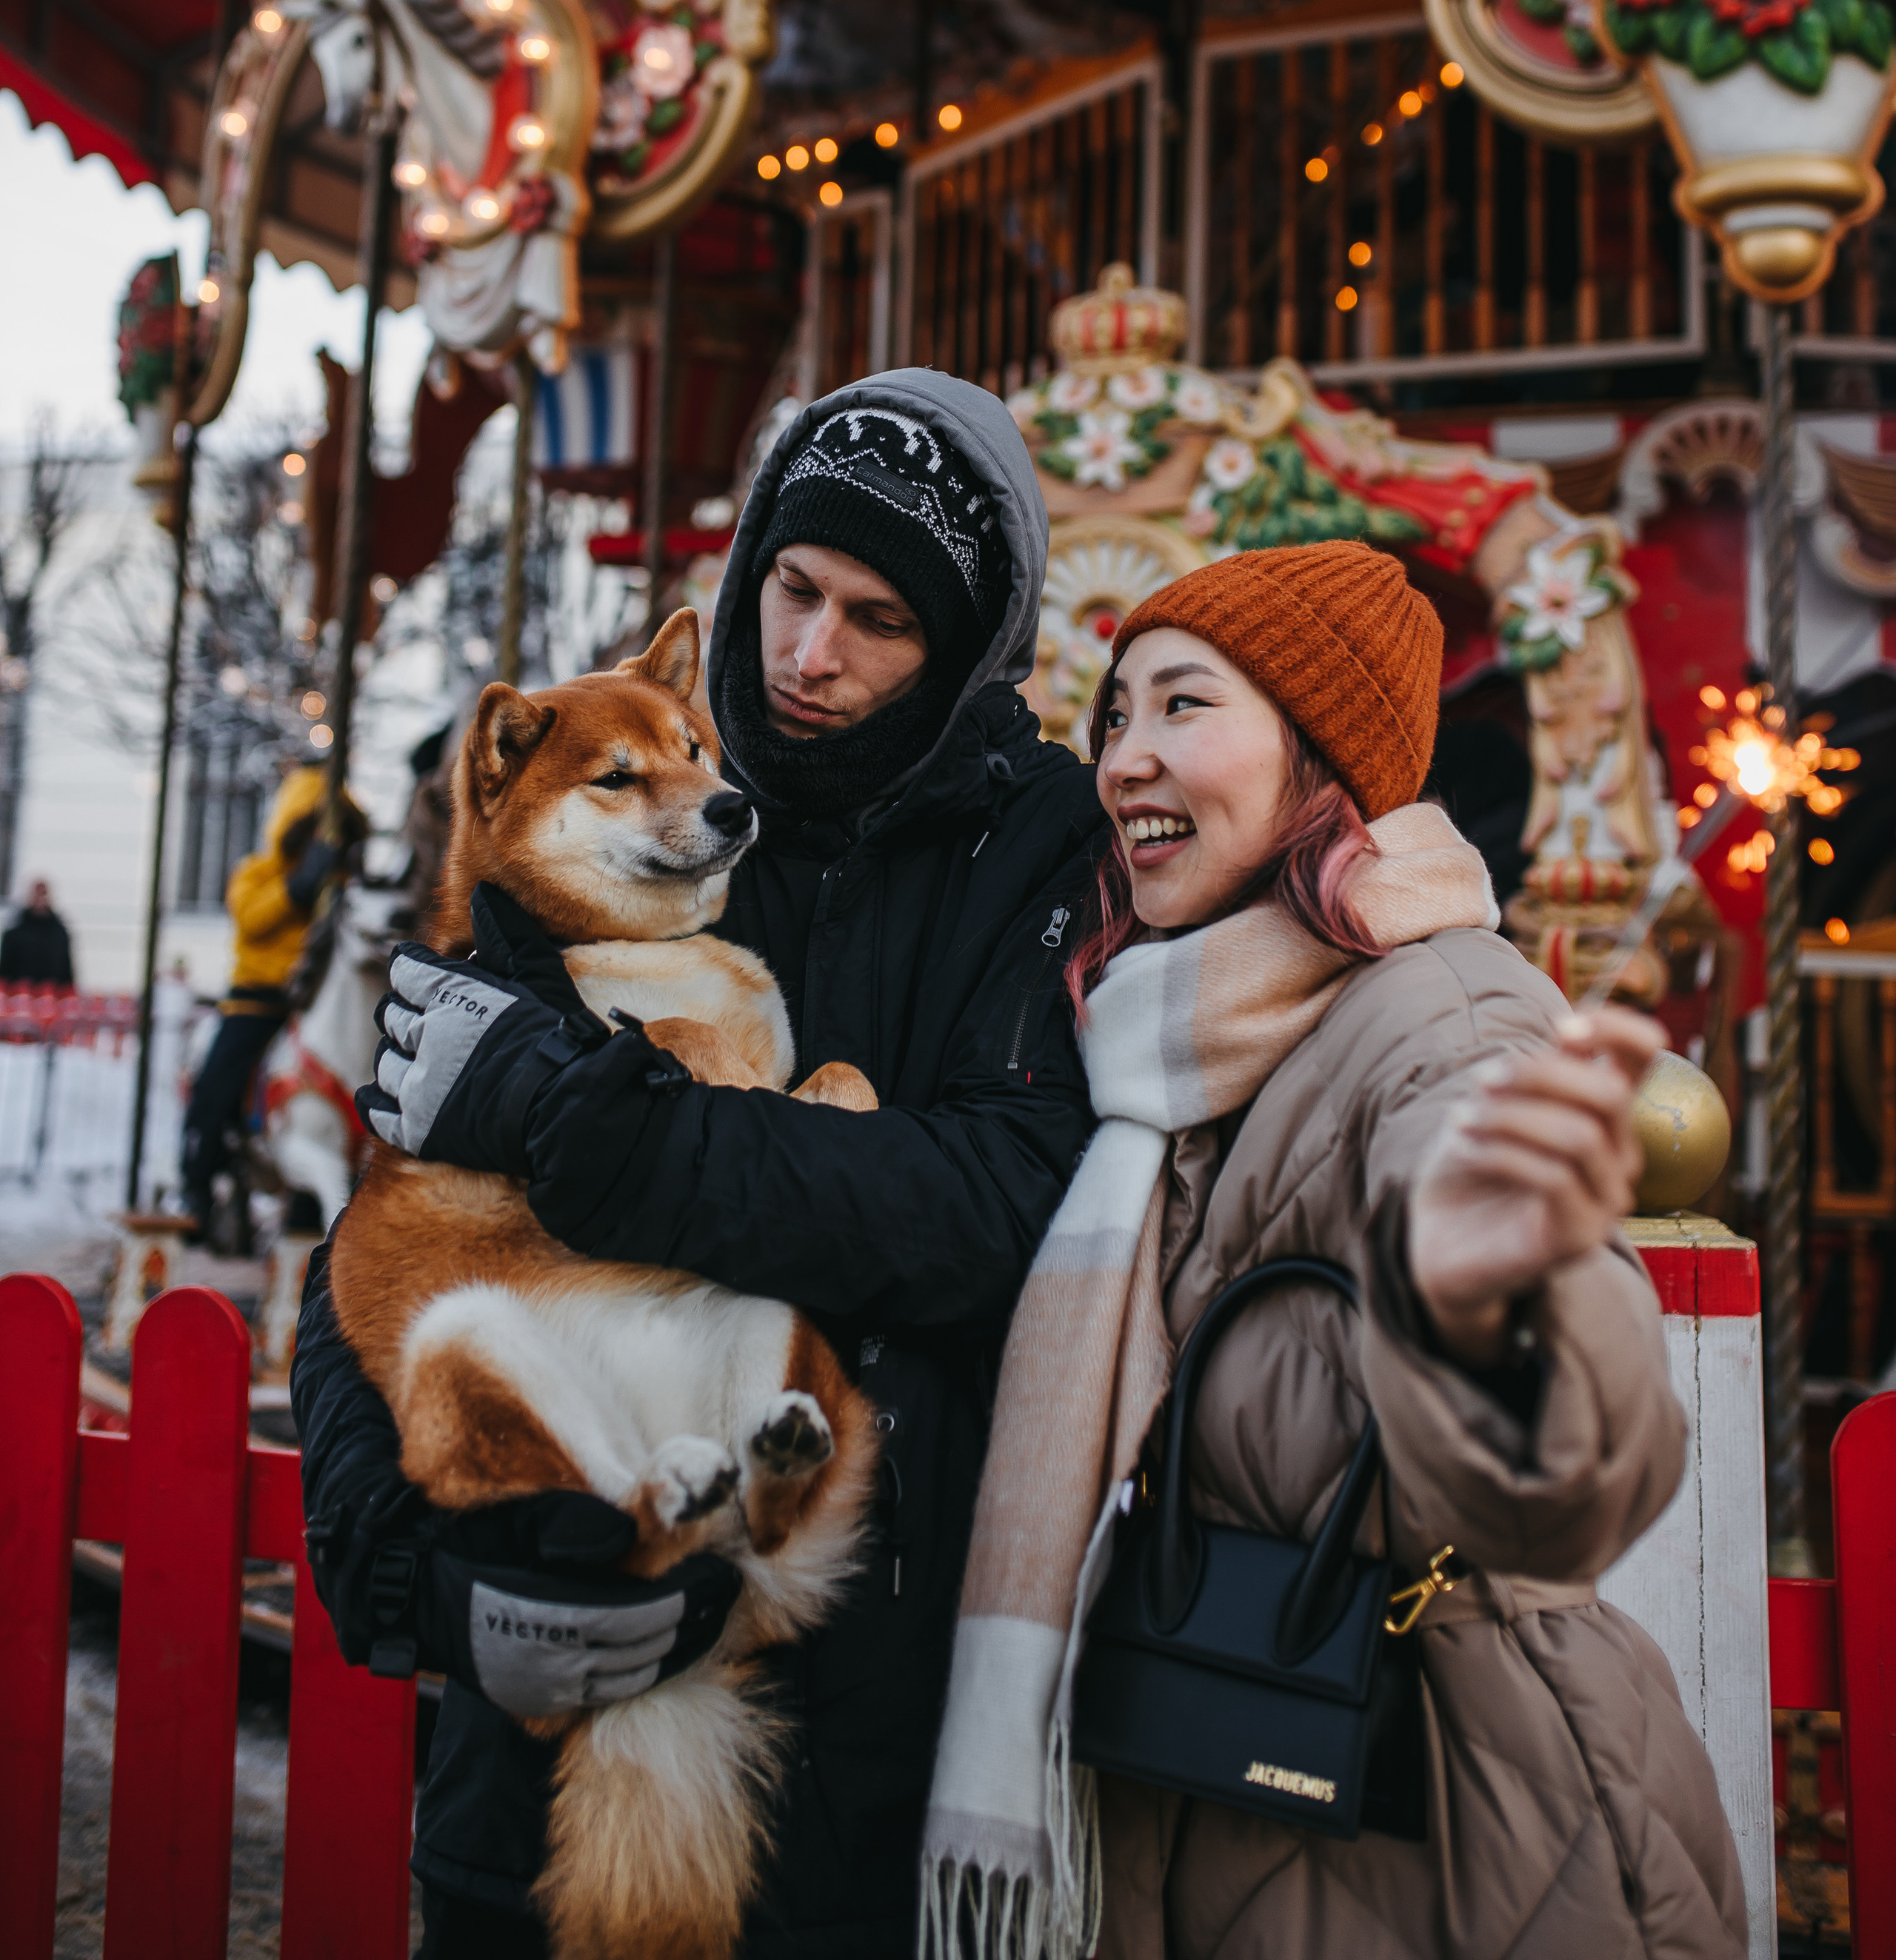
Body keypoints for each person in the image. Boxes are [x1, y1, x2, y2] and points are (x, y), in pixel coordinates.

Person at [291, 371, 1106, 1959]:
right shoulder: (599, 796)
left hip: (861, 1754)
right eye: (793, 589)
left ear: (960, 649)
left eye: (879, 621)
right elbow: (397, 1238)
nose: (810, 655)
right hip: (537, 1754)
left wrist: (591, 1128)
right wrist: (412, 1570)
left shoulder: (1040, 848)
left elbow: (996, 1205)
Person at [921, 541, 1745, 1960]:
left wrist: (1486, 1309)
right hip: (1226, 1787)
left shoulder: (1448, 1017)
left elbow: (1568, 1424)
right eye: (1115, 713)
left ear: (1325, 750)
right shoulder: (1180, 1035)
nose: (1123, 758)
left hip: (1450, 1823)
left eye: (1185, 705)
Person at [179, 763, 360, 1239]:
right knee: (220, 1081)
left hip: (317, 1000)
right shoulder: (256, 873)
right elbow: (252, 918)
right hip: (260, 1000)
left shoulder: (341, 885)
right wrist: (297, 887)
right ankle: (197, 1179)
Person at [0, 877, 75, 987]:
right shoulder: (15, 932)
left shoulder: (59, 933)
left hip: (51, 991)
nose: (40, 899)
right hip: (21, 992)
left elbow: (67, 970)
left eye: (43, 894)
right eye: (37, 894)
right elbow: (5, 970)